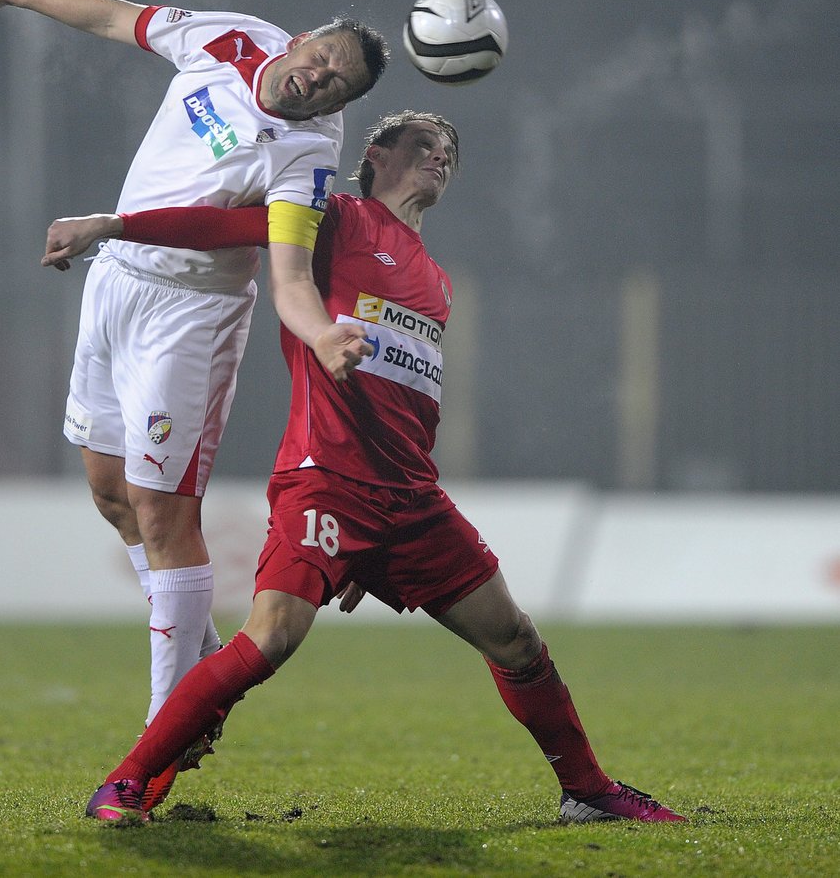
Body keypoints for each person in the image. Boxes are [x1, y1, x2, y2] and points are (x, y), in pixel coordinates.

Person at [54, 110, 685, 825]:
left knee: (514, 636)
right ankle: (128, 780)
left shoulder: (437, 280)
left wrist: (377, 551)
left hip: (412, 499)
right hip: (326, 480)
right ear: (375, 155)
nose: (441, 154)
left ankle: (588, 789)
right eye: (422, 142)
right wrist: (116, 225)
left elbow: (411, 402)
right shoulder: (335, 219)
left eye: (449, 148)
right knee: (271, 637)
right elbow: (229, 229)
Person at [0, 0, 389, 756]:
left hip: (191, 317)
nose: (319, 80)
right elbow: (115, 16)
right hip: (116, 280)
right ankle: (195, 649)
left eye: (337, 87)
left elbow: (287, 269)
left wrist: (322, 330)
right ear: (298, 41)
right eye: (321, 60)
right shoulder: (230, 39)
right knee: (108, 490)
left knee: (164, 513)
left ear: (338, 110)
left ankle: (172, 726)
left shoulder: (306, 158)